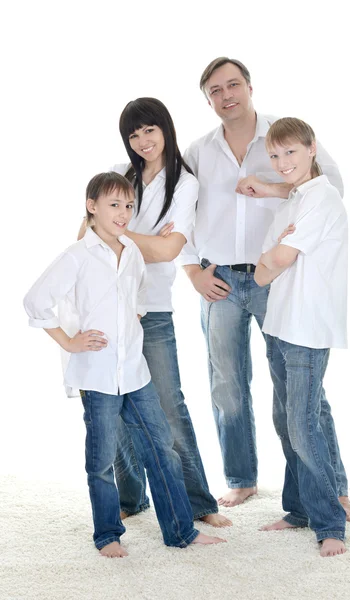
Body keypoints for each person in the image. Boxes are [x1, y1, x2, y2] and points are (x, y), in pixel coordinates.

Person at [180, 57, 350, 521]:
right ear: (208, 100)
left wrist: (270, 187)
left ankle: (331, 487)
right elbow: (174, 212)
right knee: (227, 385)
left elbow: (329, 185)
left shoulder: (282, 136)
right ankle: (241, 479)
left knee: (298, 389)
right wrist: (193, 272)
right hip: (218, 276)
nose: (227, 95)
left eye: (233, 84)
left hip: (275, 277)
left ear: (249, 86)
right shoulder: (199, 150)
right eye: (216, 90)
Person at [24, 172, 225, 557]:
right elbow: (36, 301)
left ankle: (181, 531)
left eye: (129, 205)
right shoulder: (76, 255)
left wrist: (132, 316)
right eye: (114, 205)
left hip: (134, 371)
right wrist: (69, 341)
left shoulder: (131, 250)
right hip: (97, 375)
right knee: (101, 461)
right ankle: (108, 535)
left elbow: (136, 295)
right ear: (92, 207)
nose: (123, 213)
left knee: (161, 450)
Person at [77, 98, 230, 527]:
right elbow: (85, 232)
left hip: (153, 308)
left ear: (165, 128)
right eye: (134, 134)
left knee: (167, 406)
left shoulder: (184, 184)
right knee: (114, 403)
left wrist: (119, 232)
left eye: (149, 130)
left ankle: (198, 502)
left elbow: (169, 250)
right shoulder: (122, 174)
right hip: (108, 307)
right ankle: (132, 497)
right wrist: (138, 236)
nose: (143, 141)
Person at [251, 117, 348, 557]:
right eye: (275, 155)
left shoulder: (322, 197)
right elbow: (261, 269)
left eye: (290, 152)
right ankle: (299, 509)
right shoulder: (292, 202)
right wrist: (272, 258)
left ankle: (330, 522)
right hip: (279, 323)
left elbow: (280, 258)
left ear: (311, 149)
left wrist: (274, 257)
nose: (282, 161)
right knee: (284, 421)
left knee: (303, 424)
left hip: (306, 326)